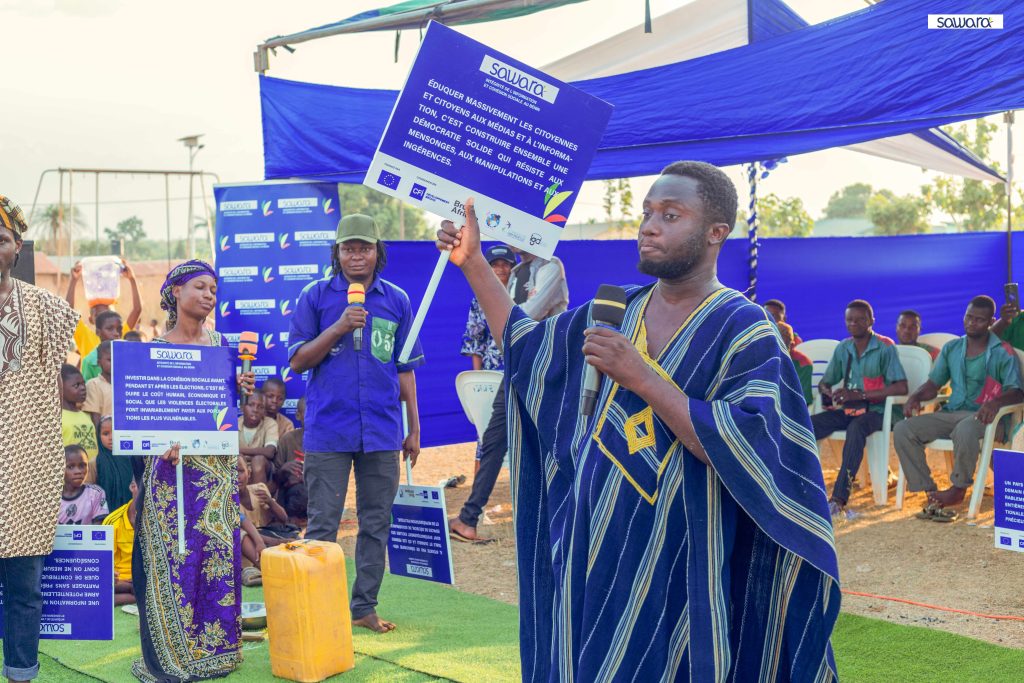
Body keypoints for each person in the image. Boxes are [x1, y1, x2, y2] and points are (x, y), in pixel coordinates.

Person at [436, 162, 839, 680]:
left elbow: (755, 445)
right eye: (647, 212)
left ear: (717, 233)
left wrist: (642, 377)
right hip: (592, 546)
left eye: (670, 215)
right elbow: (527, 350)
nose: (649, 226)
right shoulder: (615, 308)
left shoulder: (744, 329)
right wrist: (471, 264)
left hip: (683, 560)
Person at [289, 213, 423, 634]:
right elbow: (297, 361)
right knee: (323, 525)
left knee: (376, 522)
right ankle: (320, 609)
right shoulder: (315, 296)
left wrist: (414, 428)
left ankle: (364, 607)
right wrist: (340, 325)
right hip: (329, 430)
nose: (356, 255)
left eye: (364, 247)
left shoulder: (397, 299)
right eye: (349, 248)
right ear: (337, 253)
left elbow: (405, 370)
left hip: (382, 430)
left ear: (377, 251)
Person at [131, 260, 254, 681]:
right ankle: (170, 657)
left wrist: (235, 435)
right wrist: (160, 445)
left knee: (217, 558)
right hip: (171, 475)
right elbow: (145, 418)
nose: (208, 295)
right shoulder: (154, 351)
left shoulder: (222, 346)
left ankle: (215, 653)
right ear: (176, 293)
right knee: (176, 560)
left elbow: (221, 414)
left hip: (216, 472)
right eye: (200, 287)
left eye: (213, 290)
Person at [0, 195, 79, 683]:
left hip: (27, 470)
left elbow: (93, 354)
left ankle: (21, 673)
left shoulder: (46, 309)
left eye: (1, 239)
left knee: (25, 589)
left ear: (17, 246)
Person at [449, 241, 569, 544]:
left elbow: (527, 316)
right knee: (493, 439)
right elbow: (502, 324)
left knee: (551, 442)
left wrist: (503, 314)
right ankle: (468, 518)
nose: (510, 236)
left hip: (547, 365)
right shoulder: (517, 272)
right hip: (516, 365)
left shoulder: (550, 266)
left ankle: (566, 521)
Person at [895, 295, 1024, 520]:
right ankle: (930, 492)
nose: (972, 323)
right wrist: (915, 396)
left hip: (989, 419)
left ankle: (958, 489)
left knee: (965, 428)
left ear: (990, 321)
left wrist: (994, 402)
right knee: (904, 429)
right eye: (969, 317)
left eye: (979, 320)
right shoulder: (952, 348)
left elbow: (1017, 391)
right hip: (953, 413)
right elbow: (934, 384)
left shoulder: (1003, 352)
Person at [811, 300, 907, 517]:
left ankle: (838, 499)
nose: (853, 323)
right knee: (810, 424)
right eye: (849, 320)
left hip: (880, 412)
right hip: (850, 410)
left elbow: (901, 386)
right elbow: (827, 381)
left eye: (859, 319)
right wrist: (827, 391)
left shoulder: (885, 347)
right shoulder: (843, 348)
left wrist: (861, 395)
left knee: (856, 428)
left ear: (872, 320)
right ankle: (802, 487)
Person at [66, 258, 141, 359]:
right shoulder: (84, 335)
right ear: (91, 319)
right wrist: (73, 280)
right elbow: (68, 313)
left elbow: (137, 309)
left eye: (108, 312)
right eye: (98, 315)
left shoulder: (119, 334)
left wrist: (132, 279)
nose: (104, 317)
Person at [461, 244, 516, 372]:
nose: (500, 269)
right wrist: (477, 376)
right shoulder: (480, 299)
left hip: (522, 368)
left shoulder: (522, 294)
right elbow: (475, 339)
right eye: (494, 265)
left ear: (512, 268)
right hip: (492, 371)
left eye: (505, 264)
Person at [103, 479, 138, 606]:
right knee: (100, 589)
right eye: (144, 487)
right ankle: (136, 594)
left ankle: (137, 594)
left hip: (147, 581)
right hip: (120, 583)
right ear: (133, 487)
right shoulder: (113, 521)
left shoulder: (163, 519)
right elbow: (103, 566)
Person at [272, 397, 307, 521]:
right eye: (308, 413)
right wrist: (284, 469)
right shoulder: (287, 440)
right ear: (298, 415)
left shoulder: (327, 441)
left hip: (317, 494)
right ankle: (290, 524)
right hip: (291, 496)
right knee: (297, 489)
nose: (313, 418)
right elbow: (275, 478)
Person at [61, 364, 99, 472]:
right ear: (60, 387)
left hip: (91, 474)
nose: (83, 388)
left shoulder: (85, 415)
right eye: (76, 385)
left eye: (83, 384)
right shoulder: (57, 417)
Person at [58, 445, 109, 524]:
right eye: (70, 467)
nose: (78, 471)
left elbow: (99, 529)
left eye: (82, 466)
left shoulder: (96, 493)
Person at [239, 389, 279, 485]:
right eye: (251, 405)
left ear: (264, 411)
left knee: (258, 460)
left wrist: (239, 450)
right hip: (239, 465)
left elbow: (270, 452)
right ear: (242, 407)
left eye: (260, 407)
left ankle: (259, 499)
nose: (255, 410)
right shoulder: (233, 424)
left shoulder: (270, 424)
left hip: (263, 467)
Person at [95, 415, 134, 512]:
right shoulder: (94, 462)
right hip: (102, 515)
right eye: (106, 433)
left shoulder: (130, 460)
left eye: (115, 432)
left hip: (128, 514)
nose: (111, 438)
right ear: (98, 436)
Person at [81, 310, 123, 381]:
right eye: (110, 329)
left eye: (119, 329)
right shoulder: (89, 361)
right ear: (98, 332)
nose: (117, 333)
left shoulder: (129, 354)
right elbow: (88, 389)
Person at [778, 321, 813, 406]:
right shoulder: (761, 359)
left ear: (792, 344)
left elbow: (801, 401)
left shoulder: (803, 364)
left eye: (785, 337)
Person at [83, 340, 114, 428]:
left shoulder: (126, 384)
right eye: (110, 360)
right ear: (99, 363)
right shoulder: (93, 385)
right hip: (104, 437)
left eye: (118, 359)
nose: (114, 363)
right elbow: (94, 418)